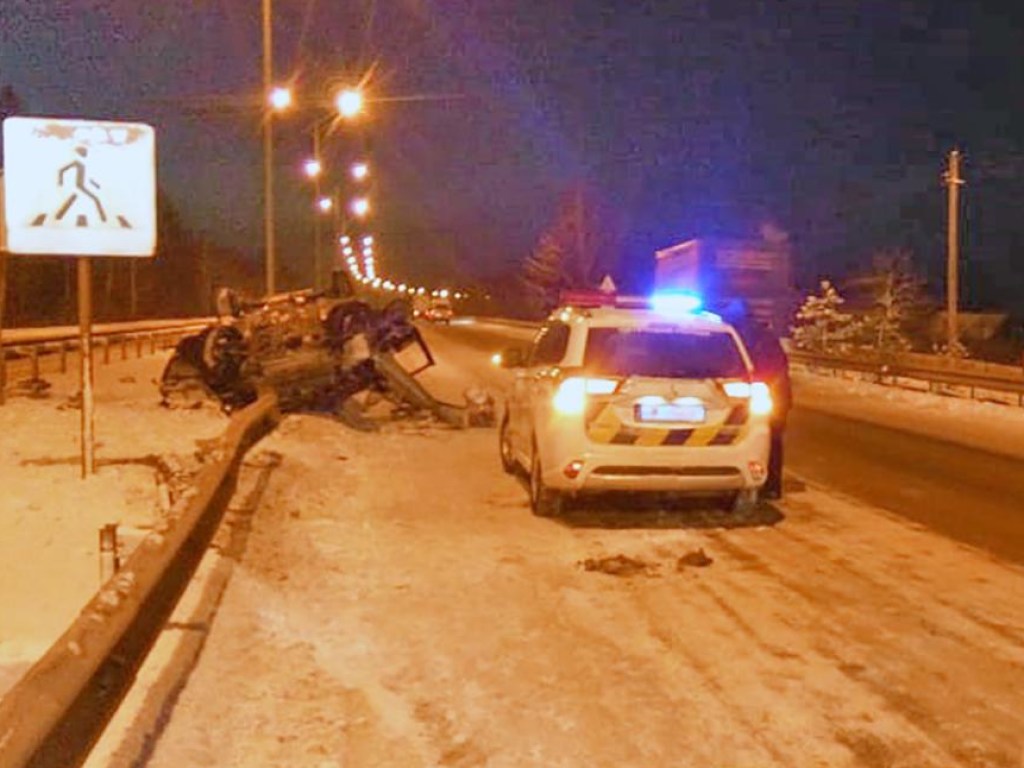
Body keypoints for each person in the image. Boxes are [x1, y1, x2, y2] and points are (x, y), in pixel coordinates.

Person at [718, 301, 792, 500]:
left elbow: (749, 367)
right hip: (776, 395)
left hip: (764, 395)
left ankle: (762, 483)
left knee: (756, 438)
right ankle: (771, 485)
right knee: (771, 440)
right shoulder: (764, 335)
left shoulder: (745, 336)